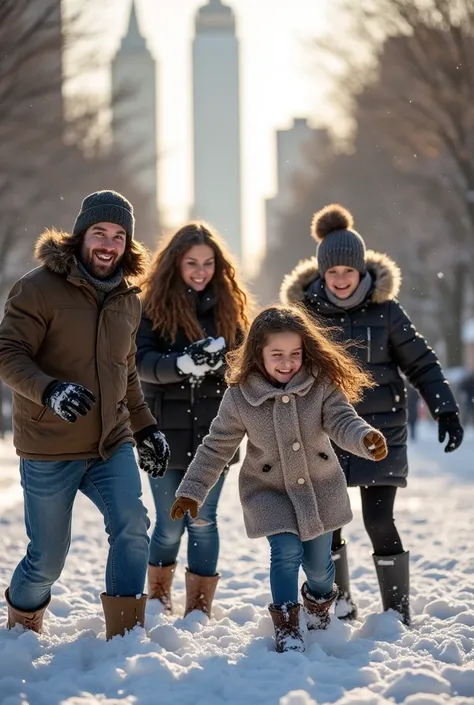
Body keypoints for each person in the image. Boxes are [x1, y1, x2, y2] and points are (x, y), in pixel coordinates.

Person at [280, 203, 463, 625]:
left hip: (381, 433)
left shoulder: (386, 312)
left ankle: (396, 613)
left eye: (349, 271)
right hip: (324, 435)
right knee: (332, 524)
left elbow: (421, 363)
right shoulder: (306, 315)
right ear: (322, 274)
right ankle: (339, 604)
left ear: (361, 272)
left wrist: (445, 408)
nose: (341, 280)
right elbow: (285, 365)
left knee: (379, 519)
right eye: (333, 273)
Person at [0, 190, 170, 639]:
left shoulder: (128, 299)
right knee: (47, 559)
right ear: (80, 236)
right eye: (100, 232)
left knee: (134, 528)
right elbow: (8, 353)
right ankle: (22, 624)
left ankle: (126, 632)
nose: (108, 244)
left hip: (110, 443)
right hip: (49, 445)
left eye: (118, 236)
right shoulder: (37, 288)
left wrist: (146, 427)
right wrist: (49, 390)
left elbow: (126, 373)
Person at [170, 305, 388, 653]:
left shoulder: (320, 384)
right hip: (268, 492)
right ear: (259, 353)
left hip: (319, 490)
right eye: (277, 355)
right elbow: (216, 446)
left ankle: (318, 607)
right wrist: (192, 491)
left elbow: (342, 420)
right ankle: (287, 626)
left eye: (294, 354)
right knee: (284, 553)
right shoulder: (240, 396)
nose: (287, 363)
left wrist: (364, 438)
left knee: (318, 568)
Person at [136, 221, 250, 618]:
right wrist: (182, 364)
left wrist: (221, 364)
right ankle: (157, 595)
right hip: (161, 435)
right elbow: (141, 364)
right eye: (192, 263)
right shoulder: (150, 306)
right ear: (175, 264)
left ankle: (199, 605)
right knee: (169, 525)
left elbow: (245, 366)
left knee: (203, 520)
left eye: (208, 263)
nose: (201, 271)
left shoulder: (230, 308)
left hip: (214, 437)